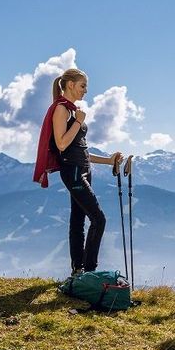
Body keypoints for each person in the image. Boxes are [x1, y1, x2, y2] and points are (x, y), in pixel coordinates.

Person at [33, 68, 123, 280]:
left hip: (82, 169)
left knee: (78, 220)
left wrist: (108, 160)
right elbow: (62, 144)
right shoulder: (62, 110)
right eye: (83, 86)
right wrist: (78, 122)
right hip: (72, 172)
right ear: (71, 85)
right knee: (98, 219)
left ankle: (78, 271)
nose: (85, 91)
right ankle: (89, 272)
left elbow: (80, 149)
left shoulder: (73, 111)